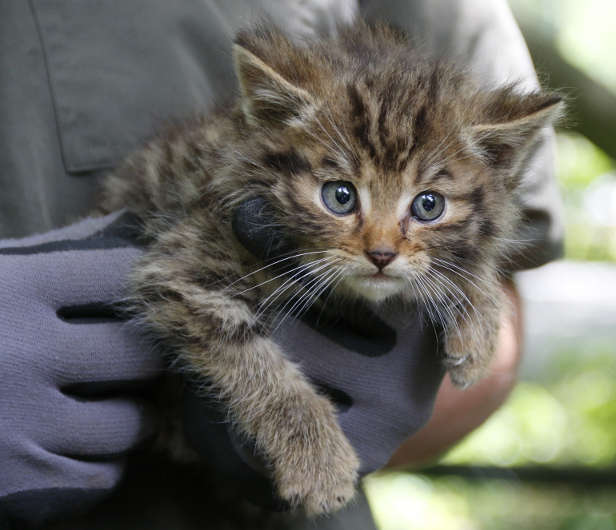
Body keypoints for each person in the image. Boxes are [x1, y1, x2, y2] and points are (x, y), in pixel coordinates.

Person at [0, 0, 563, 528]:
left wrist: (467, 289)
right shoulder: (244, 197)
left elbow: (491, 315)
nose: (382, 245)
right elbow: (177, 287)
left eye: (427, 206)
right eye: (341, 197)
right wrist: (292, 417)